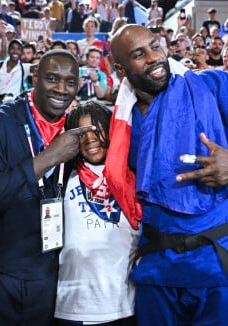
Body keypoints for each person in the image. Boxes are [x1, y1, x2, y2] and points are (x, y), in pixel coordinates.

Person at [107, 24, 228, 325]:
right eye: (139, 54)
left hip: (219, 260)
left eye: (155, 46)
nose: (154, 57)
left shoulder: (211, 86)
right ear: (120, 68)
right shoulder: (120, 121)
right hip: (158, 266)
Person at [0, 49, 96, 326]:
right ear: (34, 78)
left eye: (70, 82)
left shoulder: (73, 129)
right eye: (52, 78)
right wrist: (48, 158)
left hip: (43, 276)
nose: (61, 89)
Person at [55, 102, 140, 325]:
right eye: (81, 134)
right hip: (72, 305)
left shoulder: (132, 175)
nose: (90, 139)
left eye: (96, 130)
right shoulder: (62, 177)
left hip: (124, 305)